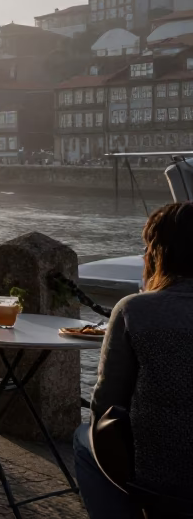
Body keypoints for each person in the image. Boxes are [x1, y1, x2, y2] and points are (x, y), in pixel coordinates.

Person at [73, 202, 193, 517]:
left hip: (163, 480)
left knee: (84, 439)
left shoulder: (135, 310)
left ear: (159, 252)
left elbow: (106, 403)